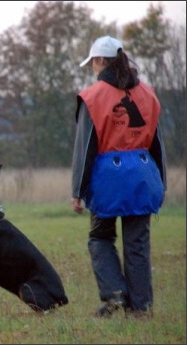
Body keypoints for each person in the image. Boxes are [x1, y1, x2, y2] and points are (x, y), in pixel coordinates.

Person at [71, 36, 167, 319]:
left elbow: (85, 147)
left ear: (100, 61)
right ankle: (141, 309)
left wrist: (77, 189)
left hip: (108, 180)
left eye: (92, 63)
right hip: (143, 177)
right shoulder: (148, 94)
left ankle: (115, 295)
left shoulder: (92, 96)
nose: (92, 68)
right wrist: (162, 182)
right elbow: (157, 144)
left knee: (100, 238)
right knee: (137, 244)